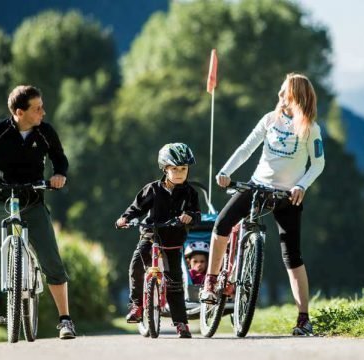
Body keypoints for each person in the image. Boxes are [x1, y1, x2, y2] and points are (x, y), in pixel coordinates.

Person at [199, 73, 325, 336]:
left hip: (287, 197)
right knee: (222, 224)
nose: (279, 96)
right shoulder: (270, 119)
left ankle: (303, 319)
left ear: (296, 97)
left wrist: (301, 185)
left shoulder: (311, 128)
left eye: (284, 93)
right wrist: (226, 171)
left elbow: (318, 163)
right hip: (257, 186)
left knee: (293, 256)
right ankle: (211, 283)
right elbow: (246, 148)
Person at [0, 85, 76, 346]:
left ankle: (65, 320)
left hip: (33, 202)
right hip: (1, 202)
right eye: (37, 108)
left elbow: (60, 159)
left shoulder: (45, 132)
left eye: (42, 106)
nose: (43, 112)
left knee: (52, 261)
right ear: (19, 112)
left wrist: (59, 176)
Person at [116, 143, 201, 338]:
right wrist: (125, 218)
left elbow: (196, 215)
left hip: (174, 240)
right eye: (174, 169)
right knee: (137, 265)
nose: (179, 173)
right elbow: (136, 208)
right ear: (165, 169)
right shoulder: (152, 189)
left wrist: (190, 216)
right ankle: (137, 305)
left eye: (183, 169)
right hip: (151, 235)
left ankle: (181, 323)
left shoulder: (190, 193)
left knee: (174, 283)